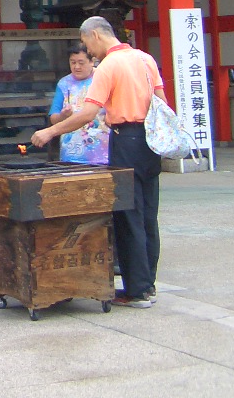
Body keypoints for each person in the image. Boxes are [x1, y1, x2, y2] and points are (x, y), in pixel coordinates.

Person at [31, 16, 165, 308]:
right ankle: (148, 284)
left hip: (126, 139)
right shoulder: (145, 59)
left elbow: (88, 113)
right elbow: (161, 102)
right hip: (150, 141)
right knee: (148, 214)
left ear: (94, 35)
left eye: (88, 44)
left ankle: (136, 290)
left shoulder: (109, 66)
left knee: (129, 214)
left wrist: (50, 131)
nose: (89, 52)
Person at [48, 44, 108, 165]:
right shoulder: (64, 84)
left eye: (81, 63)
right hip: (70, 155)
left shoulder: (103, 79)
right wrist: (63, 116)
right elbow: (53, 118)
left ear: (92, 61)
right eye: (72, 62)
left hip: (102, 154)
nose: (76, 67)